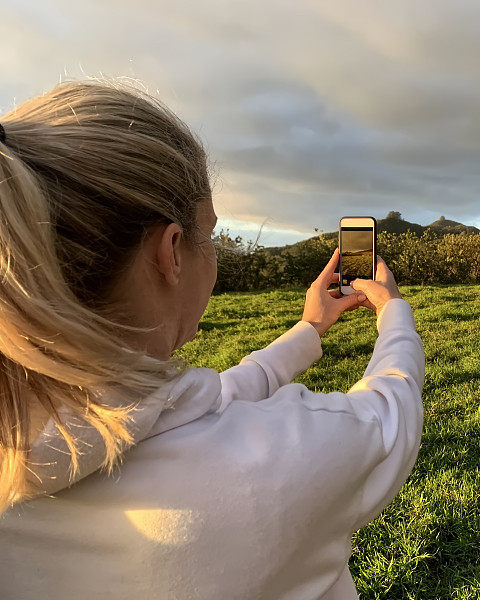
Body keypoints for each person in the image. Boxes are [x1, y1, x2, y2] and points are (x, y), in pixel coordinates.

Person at [0, 80, 425, 600]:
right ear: (172, 252)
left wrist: (310, 329)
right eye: (211, 232)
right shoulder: (260, 471)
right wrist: (393, 310)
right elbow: (390, 417)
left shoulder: (25, 443)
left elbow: (200, 404)